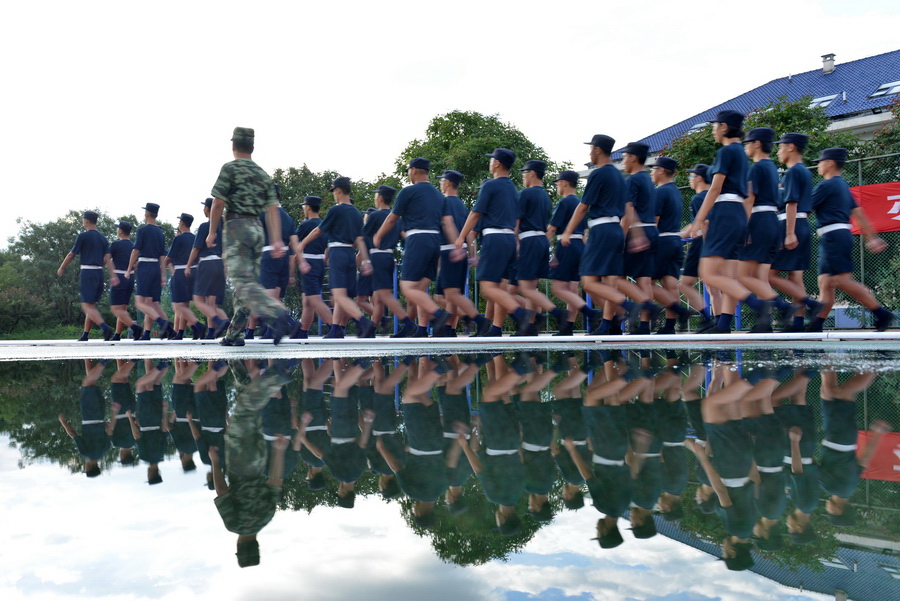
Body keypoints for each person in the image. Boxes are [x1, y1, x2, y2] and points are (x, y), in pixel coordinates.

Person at [206, 127, 296, 346]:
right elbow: (273, 209)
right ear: (252, 147)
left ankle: (279, 315)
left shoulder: (230, 169)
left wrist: (211, 232)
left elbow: (218, 202)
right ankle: (235, 333)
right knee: (246, 283)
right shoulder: (262, 174)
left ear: (233, 145)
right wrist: (275, 239)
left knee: (242, 282)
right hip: (257, 228)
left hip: (237, 227)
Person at [688, 110, 774, 334]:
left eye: (715, 126)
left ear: (724, 127)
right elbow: (747, 194)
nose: (713, 130)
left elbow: (715, 188)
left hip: (725, 212)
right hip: (737, 213)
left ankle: (763, 306)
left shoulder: (726, 151)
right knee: (728, 277)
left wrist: (698, 219)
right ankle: (724, 323)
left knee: (708, 273)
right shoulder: (742, 155)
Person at [559, 135, 646, 335]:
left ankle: (630, 307)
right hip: (615, 230)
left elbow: (582, 207)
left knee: (588, 281)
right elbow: (628, 209)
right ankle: (610, 324)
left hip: (602, 229)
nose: (590, 152)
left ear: (598, 150)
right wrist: (632, 233)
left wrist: (568, 232)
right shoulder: (618, 176)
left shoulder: (598, 174)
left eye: (591, 149)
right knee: (609, 282)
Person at [211, 359, 293, 568]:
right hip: (239, 464)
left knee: (249, 409)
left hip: (259, 460)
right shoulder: (234, 524)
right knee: (245, 410)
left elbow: (275, 482)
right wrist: (214, 461)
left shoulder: (266, 518)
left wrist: (278, 451)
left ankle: (236, 363)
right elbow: (222, 491)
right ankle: (278, 376)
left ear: (257, 546)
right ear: (238, 548)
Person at [806, 147, 895, 331]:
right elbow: (859, 212)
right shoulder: (842, 186)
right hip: (837, 236)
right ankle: (816, 324)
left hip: (833, 237)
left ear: (830, 163)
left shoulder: (826, 185)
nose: (819, 167)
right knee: (826, 282)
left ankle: (881, 313)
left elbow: (805, 209)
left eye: (820, 162)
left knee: (842, 280)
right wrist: (872, 237)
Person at [455, 148, 534, 336]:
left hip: (494, 238)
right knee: (501, 288)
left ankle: (521, 314)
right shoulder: (513, 189)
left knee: (488, 287)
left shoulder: (490, 186)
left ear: (497, 163)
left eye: (492, 160)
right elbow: (516, 220)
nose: (490, 163)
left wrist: (460, 237)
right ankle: (497, 328)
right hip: (509, 239)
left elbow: (475, 214)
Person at [373, 158, 455, 337]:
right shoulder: (439, 195)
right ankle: (421, 329)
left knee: (407, 287)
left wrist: (378, 235)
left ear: (414, 170)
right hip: (436, 242)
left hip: (418, 239)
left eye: (408, 170)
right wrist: (456, 245)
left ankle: (439, 316)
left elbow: (392, 218)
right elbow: (447, 223)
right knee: (419, 289)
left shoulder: (408, 191)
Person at [297, 176, 375, 339]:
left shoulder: (336, 210)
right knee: (343, 296)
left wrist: (302, 244)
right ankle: (337, 329)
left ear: (338, 191)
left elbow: (319, 231)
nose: (333, 195)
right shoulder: (355, 211)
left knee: (338, 295)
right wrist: (366, 260)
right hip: (349, 254)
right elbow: (360, 239)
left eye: (334, 192)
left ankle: (363, 322)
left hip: (338, 253)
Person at [740, 128, 795, 332]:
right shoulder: (772, 167)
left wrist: (744, 228)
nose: (745, 146)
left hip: (759, 220)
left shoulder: (755, 168)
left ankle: (782, 307)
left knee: (742, 275)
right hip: (772, 220)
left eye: (748, 143)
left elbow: (750, 198)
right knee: (760, 276)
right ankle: (765, 323)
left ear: (756, 144)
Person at [770, 133, 823, 331]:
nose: (778, 151)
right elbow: (807, 207)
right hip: (801, 224)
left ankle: (810, 304)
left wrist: (789, 233)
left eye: (780, 146)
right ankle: (798, 322)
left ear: (791, 147)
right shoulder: (804, 172)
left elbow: (791, 203)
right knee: (794, 277)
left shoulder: (793, 172)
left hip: (790, 225)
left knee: (768, 274)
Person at [516, 160, 569, 335]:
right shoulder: (545, 197)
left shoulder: (526, 194)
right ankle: (531, 324)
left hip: (528, 240)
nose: (523, 176)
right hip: (541, 242)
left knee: (525, 288)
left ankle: (556, 313)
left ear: (532, 173)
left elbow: (517, 222)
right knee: (533, 286)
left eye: (525, 173)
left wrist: (515, 244)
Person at [546, 170, 598, 335]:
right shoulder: (580, 203)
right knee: (573, 289)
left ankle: (590, 313)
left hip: (566, 244)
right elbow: (585, 231)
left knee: (558, 288)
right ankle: (568, 326)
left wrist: (546, 250)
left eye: (558, 182)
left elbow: (552, 228)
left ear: (564, 182)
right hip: (580, 246)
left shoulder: (564, 203)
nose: (557, 186)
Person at [436, 170, 487, 336]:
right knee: (452, 294)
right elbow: (471, 233)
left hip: (450, 251)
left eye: (442, 180)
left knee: (444, 295)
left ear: (448, 183)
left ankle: (475, 319)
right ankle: (449, 329)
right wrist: (472, 254)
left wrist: (455, 246)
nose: (440, 183)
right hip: (462, 251)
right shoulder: (462, 205)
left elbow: (447, 224)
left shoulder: (444, 203)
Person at [363, 185, 417, 336]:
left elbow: (363, 237)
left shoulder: (374, 216)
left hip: (377, 256)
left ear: (380, 197)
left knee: (384, 294)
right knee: (378, 296)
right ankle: (372, 328)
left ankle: (407, 323)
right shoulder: (396, 218)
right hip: (389, 256)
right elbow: (403, 236)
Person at [57, 211, 118, 341]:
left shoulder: (83, 236)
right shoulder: (103, 238)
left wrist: (62, 267)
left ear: (87, 221)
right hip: (99, 273)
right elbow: (107, 258)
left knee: (86, 306)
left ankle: (104, 327)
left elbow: (72, 254)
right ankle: (85, 334)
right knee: (91, 306)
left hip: (88, 272)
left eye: (83, 219)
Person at [619, 142, 660, 334]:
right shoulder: (648, 181)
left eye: (625, 156)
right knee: (644, 279)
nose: (624, 160)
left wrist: (631, 235)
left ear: (634, 157)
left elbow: (629, 209)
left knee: (615, 276)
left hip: (639, 231)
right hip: (652, 231)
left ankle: (645, 309)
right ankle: (644, 325)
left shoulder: (633, 180)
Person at [649, 157, 691, 334]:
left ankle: (678, 311)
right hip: (675, 240)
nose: (651, 172)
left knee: (646, 282)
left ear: (660, 170)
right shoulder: (675, 191)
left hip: (662, 241)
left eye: (653, 169)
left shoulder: (660, 192)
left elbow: (655, 221)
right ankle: (669, 326)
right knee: (670, 284)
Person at [248, 185, 295, 339]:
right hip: (284, 256)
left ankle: (291, 323)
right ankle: (269, 330)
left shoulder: (264, 213)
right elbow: (293, 242)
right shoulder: (287, 217)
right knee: (274, 297)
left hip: (268, 254)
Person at [126, 203, 175, 340]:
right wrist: (163, 274)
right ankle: (157, 332)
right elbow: (162, 256)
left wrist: (129, 269)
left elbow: (135, 251)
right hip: (155, 268)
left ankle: (163, 324)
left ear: (147, 213)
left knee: (139, 302)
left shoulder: (142, 230)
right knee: (152, 303)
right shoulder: (160, 232)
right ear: (156, 214)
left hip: (145, 267)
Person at [678, 165, 718, 331]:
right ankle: (720, 321)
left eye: (691, 176)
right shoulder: (712, 197)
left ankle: (706, 318)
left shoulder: (698, 199)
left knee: (684, 283)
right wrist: (680, 233)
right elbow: (697, 223)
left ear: (699, 178)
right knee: (712, 286)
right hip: (714, 242)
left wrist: (708, 247)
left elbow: (705, 223)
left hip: (703, 243)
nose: (690, 180)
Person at [58, 359, 113, 477]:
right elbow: (73, 434)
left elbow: (109, 430)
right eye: (85, 469)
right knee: (87, 382)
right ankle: (104, 361)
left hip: (100, 415)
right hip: (89, 415)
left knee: (92, 382)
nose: (84, 467)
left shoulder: (105, 450)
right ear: (89, 468)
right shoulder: (85, 453)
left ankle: (87, 356)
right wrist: (63, 421)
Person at [291, 196, 332, 339]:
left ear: (307, 207)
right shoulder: (323, 224)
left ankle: (334, 326)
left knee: (314, 299)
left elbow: (294, 243)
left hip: (309, 263)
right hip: (320, 262)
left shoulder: (306, 225)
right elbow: (328, 247)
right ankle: (303, 331)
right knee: (307, 300)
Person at [186, 198, 227, 339]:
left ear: (209, 209)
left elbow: (196, 249)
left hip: (207, 263)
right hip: (220, 264)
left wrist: (188, 266)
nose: (203, 209)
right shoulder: (224, 227)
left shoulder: (205, 227)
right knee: (212, 303)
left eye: (205, 207)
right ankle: (213, 331)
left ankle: (219, 322)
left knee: (198, 299)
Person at [163, 213, 202, 340]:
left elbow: (169, 257)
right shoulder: (195, 238)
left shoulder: (178, 238)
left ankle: (197, 326)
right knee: (185, 305)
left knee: (179, 305)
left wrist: (160, 268)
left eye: (179, 221)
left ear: (182, 223)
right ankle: (181, 332)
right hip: (194, 271)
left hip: (181, 272)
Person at [107, 221, 143, 340]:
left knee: (115, 309)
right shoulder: (133, 246)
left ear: (121, 231)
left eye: (118, 229)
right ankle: (117, 335)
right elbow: (137, 263)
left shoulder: (115, 245)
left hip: (119, 277)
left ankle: (135, 328)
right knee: (122, 309)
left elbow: (106, 259)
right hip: (130, 278)